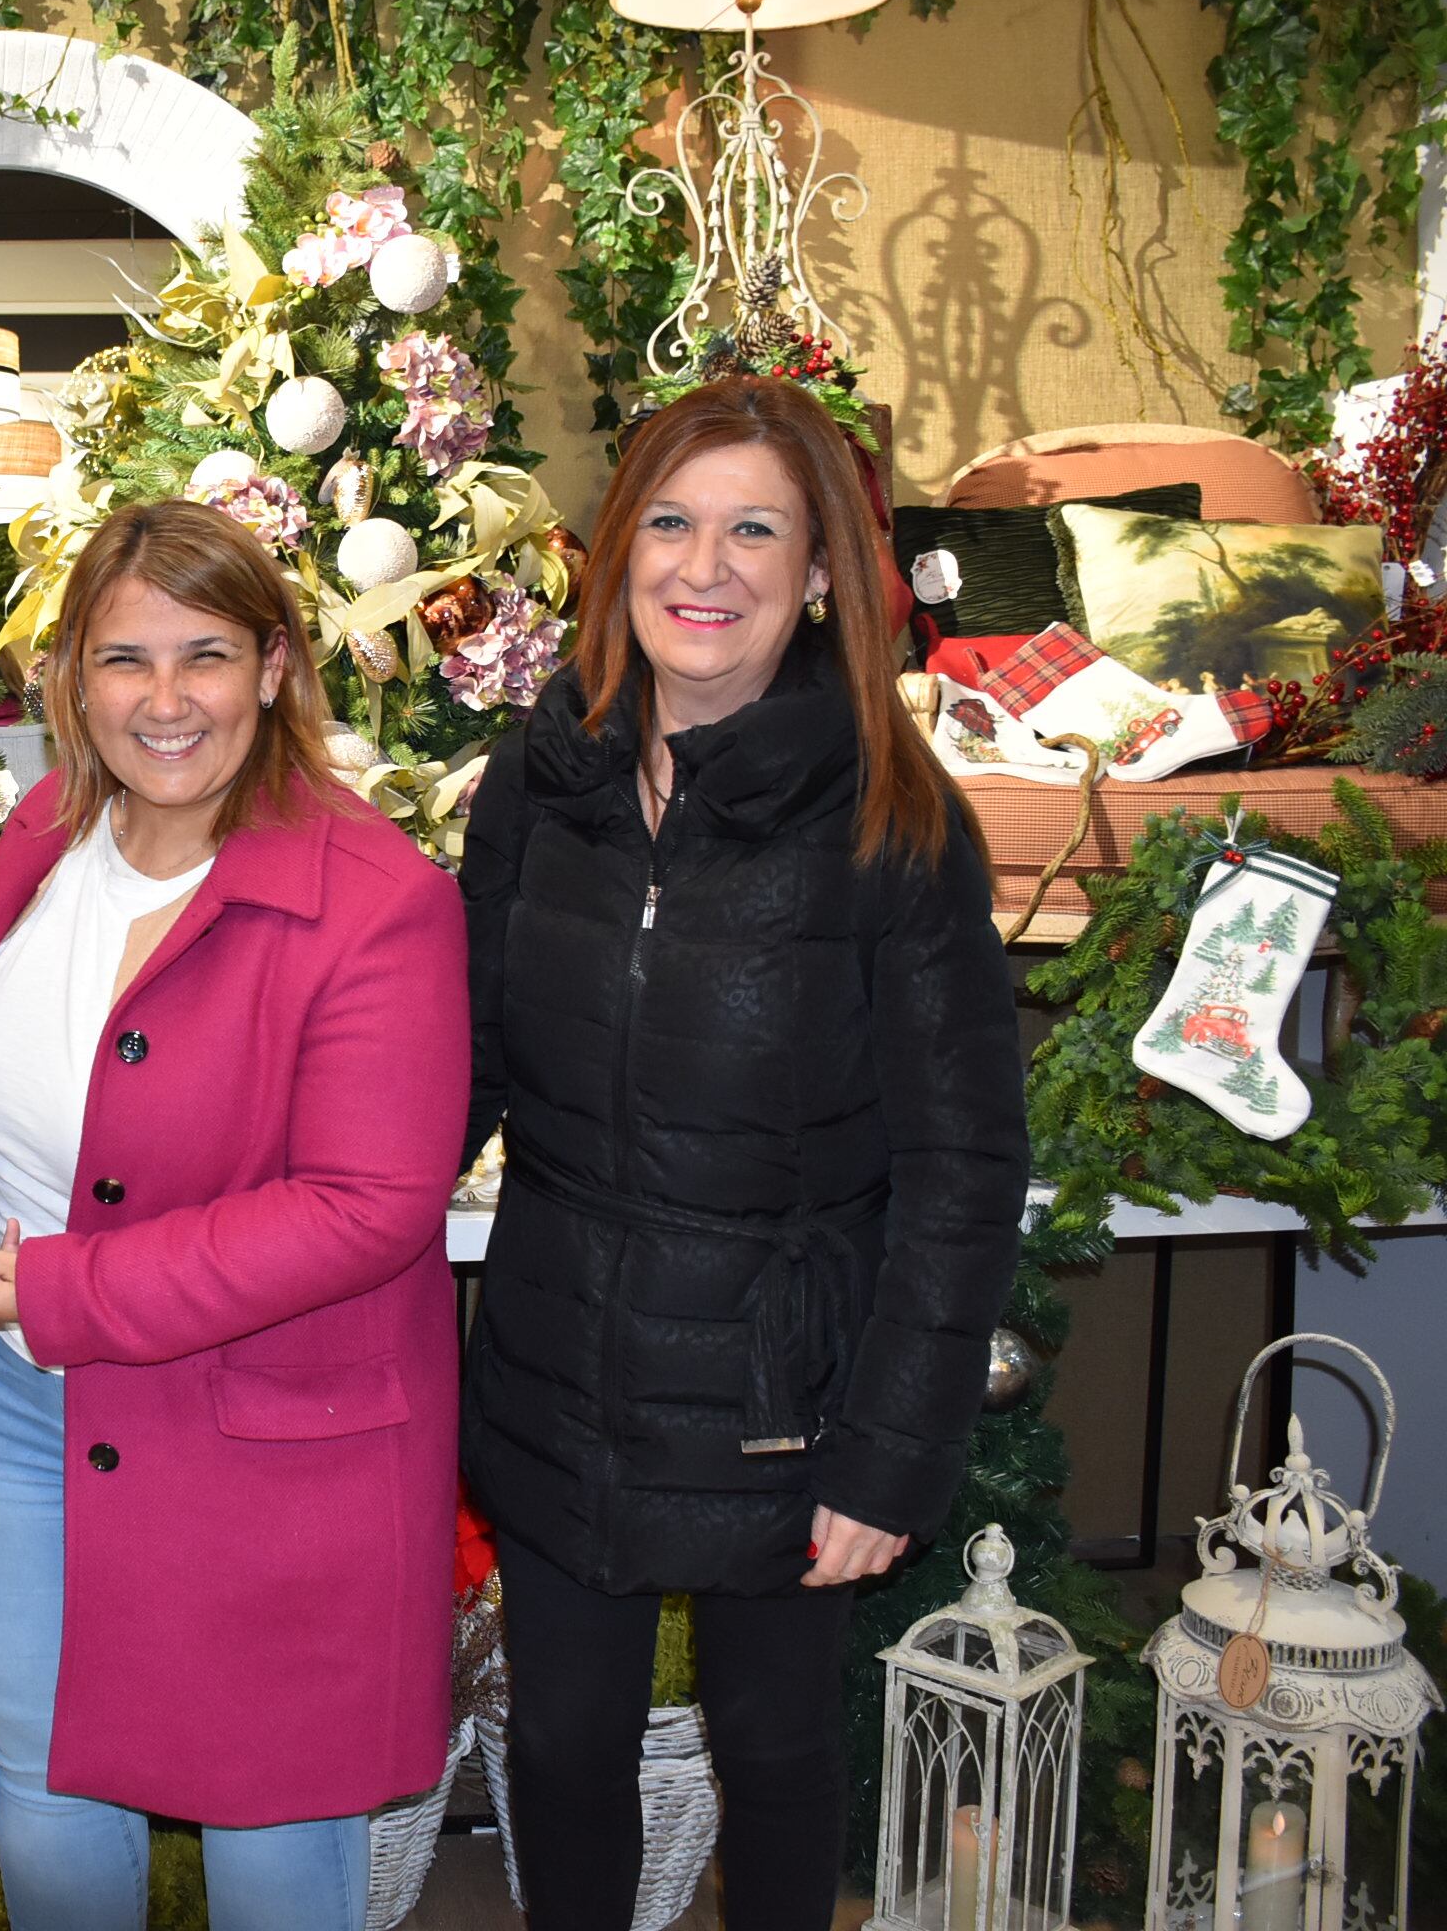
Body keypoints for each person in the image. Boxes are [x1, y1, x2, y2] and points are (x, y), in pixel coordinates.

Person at [457, 377, 1029, 1930]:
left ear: (824, 575)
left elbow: (966, 1165)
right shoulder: (543, 781)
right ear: (618, 550)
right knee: (565, 1747)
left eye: (753, 531)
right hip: (563, 1358)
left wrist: (892, 1450)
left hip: (787, 1393)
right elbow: (463, 1072)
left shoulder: (891, 820)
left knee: (773, 1750)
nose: (703, 568)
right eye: (671, 521)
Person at [0, 499, 469, 1931]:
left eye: (203, 655)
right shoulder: (46, 831)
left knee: (272, 1824)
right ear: (74, 678)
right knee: (46, 1777)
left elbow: (368, 1207)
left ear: (273, 669)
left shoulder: (377, 901)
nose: (164, 701)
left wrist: (72, 1293)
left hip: (263, 1437)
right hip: (24, 1415)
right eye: (123, 658)